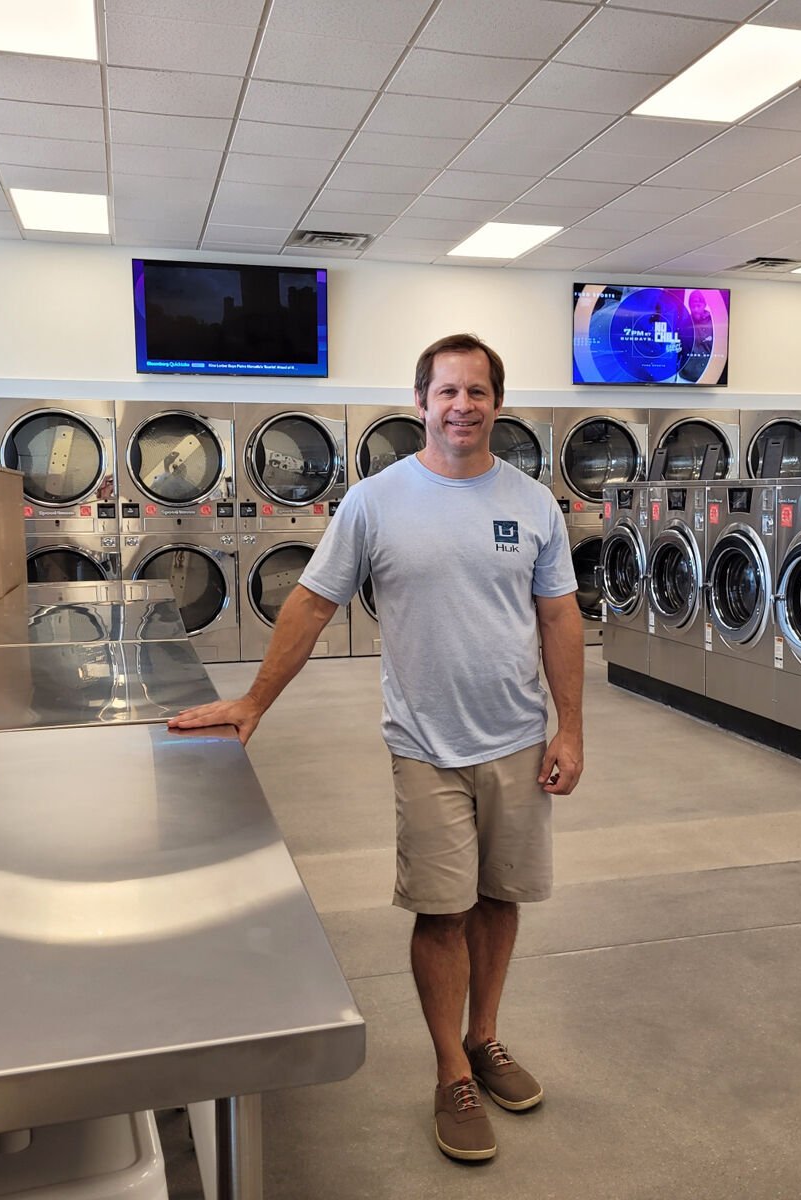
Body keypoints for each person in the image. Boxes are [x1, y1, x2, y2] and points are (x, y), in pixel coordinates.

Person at [168, 333, 585, 1163]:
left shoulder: (533, 503)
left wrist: (570, 728)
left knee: (500, 900)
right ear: (421, 403)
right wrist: (256, 701)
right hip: (425, 745)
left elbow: (559, 618)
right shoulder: (376, 501)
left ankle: (485, 1039)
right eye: (446, 392)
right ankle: (448, 1072)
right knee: (442, 910)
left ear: (496, 403)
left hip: (517, 738)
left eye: (477, 391)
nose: (462, 406)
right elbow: (313, 604)